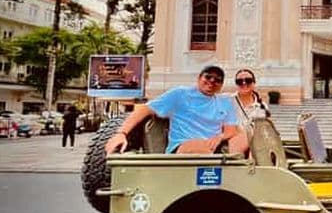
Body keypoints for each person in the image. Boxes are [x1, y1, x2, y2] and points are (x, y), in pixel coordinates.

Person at [105, 65, 247, 155]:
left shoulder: (225, 101)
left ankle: (242, 176)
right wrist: (121, 133)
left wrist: (219, 137)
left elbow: (231, 131)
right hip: (185, 147)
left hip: (216, 146)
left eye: (217, 80)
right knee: (199, 148)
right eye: (208, 77)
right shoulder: (180, 94)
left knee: (248, 138)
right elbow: (145, 109)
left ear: (221, 85)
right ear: (199, 78)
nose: (212, 81)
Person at [231, 68, 271, 136]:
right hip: (233, 144)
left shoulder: (262, 106)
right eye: (239, 81)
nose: (244, 83)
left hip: (255, 144)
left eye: (248, 80)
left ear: (254, 82)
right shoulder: (228, 101)